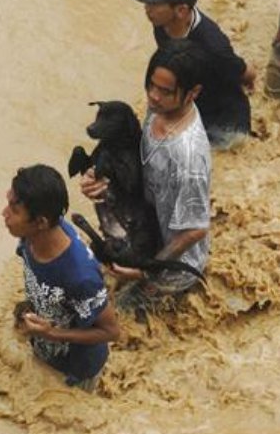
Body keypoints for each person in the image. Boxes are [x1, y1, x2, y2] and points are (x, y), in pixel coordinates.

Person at [80, 41, 212, 315]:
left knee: (125, 315)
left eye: (165, 91)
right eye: (151, 85)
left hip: (169, 266)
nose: (153, 96)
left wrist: (145, 270)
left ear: (193, 93)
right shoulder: (160, 110)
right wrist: (100, 176)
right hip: (144, 228)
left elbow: (195, 229)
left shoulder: (188, 158)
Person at [4, 164, 120, 391]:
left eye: (14, 210)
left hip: (75, 369)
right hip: (43, 346)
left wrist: (52, 333)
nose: (4, 214)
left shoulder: (80, 276)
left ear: (41, 222)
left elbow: (112, 331)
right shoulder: (30, 238)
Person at [127, 0, 255, 149]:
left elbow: (246, 73)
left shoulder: (214, 47)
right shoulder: (162, 24)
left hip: (223, 124)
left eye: (154, 4)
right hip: (191, 106)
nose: (146, 8)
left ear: (181, 11)